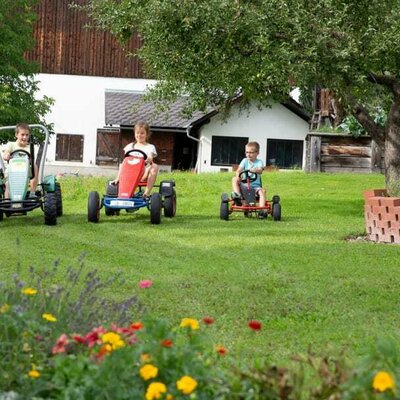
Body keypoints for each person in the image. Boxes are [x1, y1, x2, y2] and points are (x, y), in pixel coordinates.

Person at [112, 121, 159, 197]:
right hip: (130, 173)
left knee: (154, 166)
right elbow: (125, 159)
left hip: (143, 173)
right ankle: (118, 179)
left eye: (142, 133)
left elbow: (150, 156)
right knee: (122, 164)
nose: (139, 135)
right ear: (134, 134)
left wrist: (149, 159)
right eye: (137, 133)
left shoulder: (150, 147)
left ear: (147, 134)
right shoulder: (130, 146)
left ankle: (146, 193)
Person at [3, 123, 38, 198]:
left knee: (34, 166)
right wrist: (7, 155)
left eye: (27, 135)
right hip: (12, 172)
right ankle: (7, 200)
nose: (25, 137)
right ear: (16, 135)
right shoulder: (11, 145)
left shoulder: (29, 147)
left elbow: (31, 160)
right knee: (8, 184)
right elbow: (6, 153)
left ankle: (32, 192)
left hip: (26, 173)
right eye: (22, 134)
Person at [232, 141, 266, 217]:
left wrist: (255, 170)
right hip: (244, 186)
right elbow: (238, 170)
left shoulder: (259, 162)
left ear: (257, 153)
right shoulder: (244, 161)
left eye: (251, 152)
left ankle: (261, 210)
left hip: (255, 187)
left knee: (262, 191)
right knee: (234, 179)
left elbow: (260, 170)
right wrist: (238, 176)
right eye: (247, 152)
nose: (248, 154)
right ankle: (237, 196)